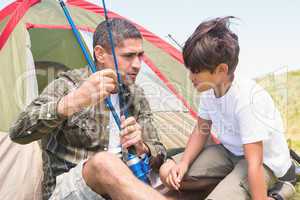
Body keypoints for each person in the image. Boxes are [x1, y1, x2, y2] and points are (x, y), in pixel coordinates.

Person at [9, 18, 167, 200]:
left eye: (140, 56)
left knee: (197, 165)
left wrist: (143, 148)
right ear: (100, 54)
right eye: (128, 56)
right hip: (70, 191)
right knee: (105, 162)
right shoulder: (67, 85)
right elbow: (18, 132)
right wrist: (72, 102)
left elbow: (158, 149)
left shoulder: (135, 94)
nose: (138, 64)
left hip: (123, 188)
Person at [159, 16, 296, 200]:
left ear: (221, 70)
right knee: (168, 172)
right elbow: (201, 129)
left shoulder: (246, 100)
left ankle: (282, 189)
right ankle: (228, 186)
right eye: (190, 69)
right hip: (228, 152)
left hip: (263, 163)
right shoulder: (208, 89)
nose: (191, 76)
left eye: (196, 71)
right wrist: (183, 163)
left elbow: (254, 164)